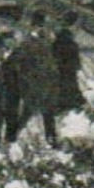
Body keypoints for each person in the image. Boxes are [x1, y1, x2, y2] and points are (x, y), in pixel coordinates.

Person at [10, 9, 62, 144]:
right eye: (43, 25)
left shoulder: (47, 40)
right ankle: (11, 137)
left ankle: (53, 140)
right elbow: (16, 61)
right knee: (26, 114)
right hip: (34, 85)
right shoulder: (27, 43)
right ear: (36, 26)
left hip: (48, 84)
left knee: (48, 114)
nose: (45, 28)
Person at [51, 11, 86, 114]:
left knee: (65, 81)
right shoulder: (67, 34)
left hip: (64, 60)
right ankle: (72, 101)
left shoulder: (64, 34)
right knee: (69, 81)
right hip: (67, 60)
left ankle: (66, 102)